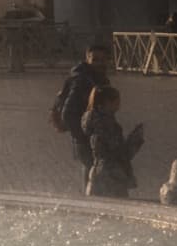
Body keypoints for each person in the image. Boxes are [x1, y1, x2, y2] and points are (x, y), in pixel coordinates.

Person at [52, 42, 112, 175]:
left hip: (93, 136)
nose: (100, 63)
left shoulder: (99, 79)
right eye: (95, 59)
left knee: (92, 171)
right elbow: (68, 114)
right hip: (86, 138)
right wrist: (82, 137)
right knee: (93, 172)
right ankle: (91, 195)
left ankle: (90, 194)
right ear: (87, 60)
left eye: (103, 60)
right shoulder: (82, 81)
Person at [81, 84, 144, 199]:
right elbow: (120, 153)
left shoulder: (95, 122)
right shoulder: (107, 125)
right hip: (111, 176)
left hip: (98, 172)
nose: (119, 105)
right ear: (107, 102)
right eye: (117, 102)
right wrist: (135, 139)